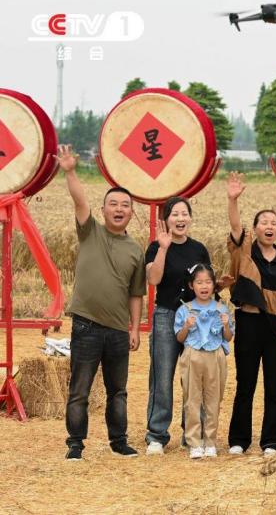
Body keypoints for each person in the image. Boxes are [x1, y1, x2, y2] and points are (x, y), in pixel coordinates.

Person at [57, 144, 146, 461]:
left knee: (117, 391)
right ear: (104, 209)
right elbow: (79, 200)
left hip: (118, 332)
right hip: (86, 326)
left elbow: (136, 293)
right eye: (113, 204)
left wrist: (134, 328)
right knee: (79, 389)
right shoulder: (89, 231)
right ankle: (75, 444)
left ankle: (119, 442)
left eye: (125, 205)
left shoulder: (136, 249)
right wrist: (69, 171)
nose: (119, 208)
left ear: (131, 212)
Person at [224, 172, 276, 456]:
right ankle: (238, 440)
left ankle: (271, 441)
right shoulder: (244, 250)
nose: (269, 227)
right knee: (245, 384)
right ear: (255, 229)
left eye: (274, 223)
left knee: (274, 387)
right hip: (249, 322)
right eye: (264, 222)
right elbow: (234, 226)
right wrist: (233, 200)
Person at [144, 196, 211, 455]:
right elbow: (153, 279)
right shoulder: (155, 247)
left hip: (195, 317)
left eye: (185, 214)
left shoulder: (199, 249)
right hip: (166, 315)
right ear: (166, 219)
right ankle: (156, 436)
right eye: (175, 214)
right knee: (162, 375)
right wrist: (163, 248)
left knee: (195, 377)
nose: (180, 219)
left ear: (190, 218)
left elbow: (206, 284)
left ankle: (193, 434)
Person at [174, 264, 234, 459]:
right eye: (199, 282)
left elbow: (228, 337)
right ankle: (194, 442)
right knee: (192, 399)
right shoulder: (185, 309)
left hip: (215, 355)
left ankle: (210, 441)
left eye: (208, 282)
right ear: (192, 286)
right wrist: (186, 326)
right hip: (192, 354)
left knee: (213, 398)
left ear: (213, 285)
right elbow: (180, 338)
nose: (204, 286)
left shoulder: (221, 309)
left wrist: (226, 324)